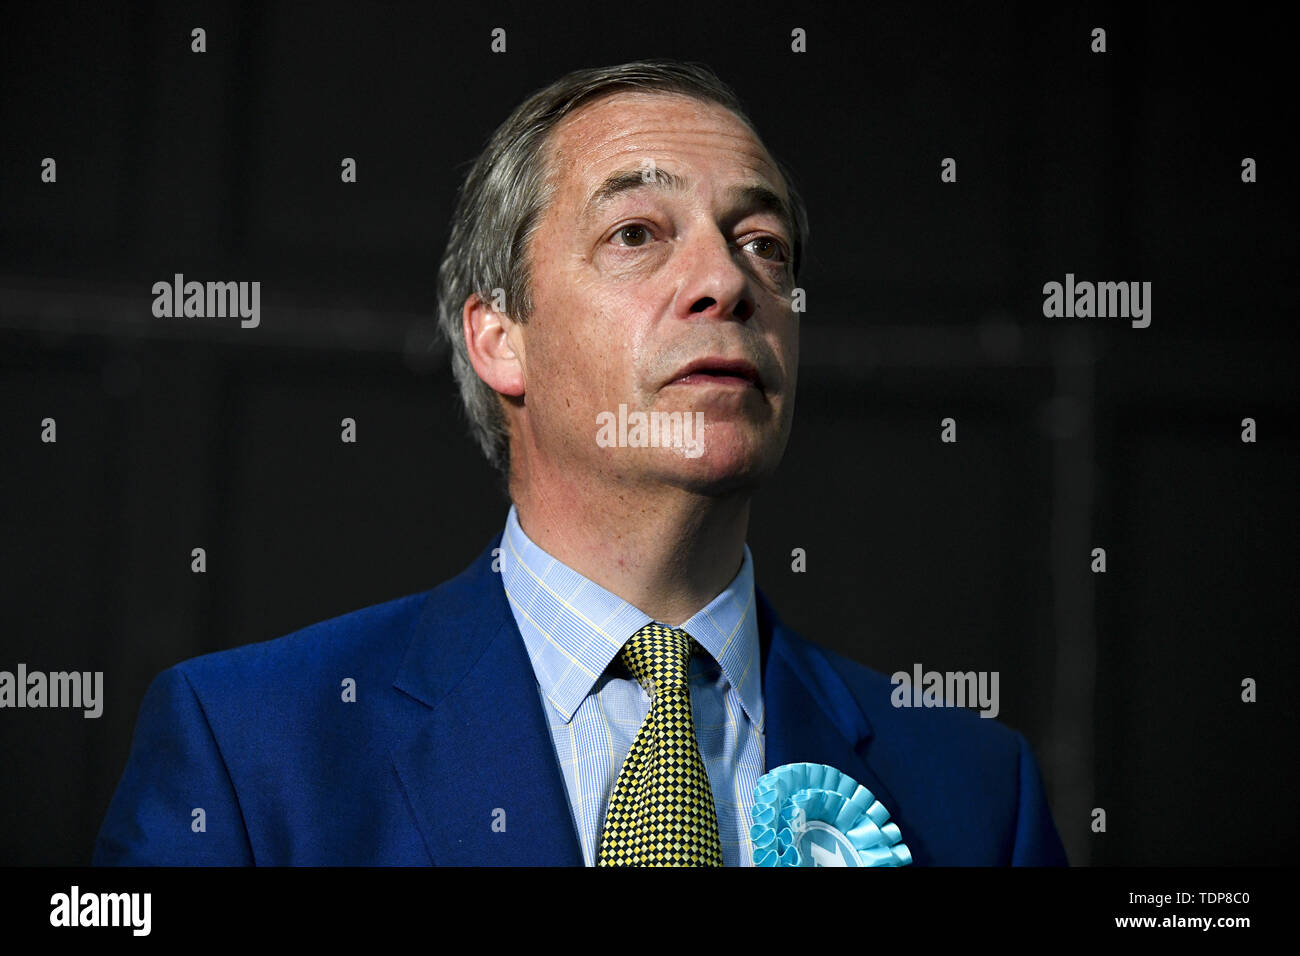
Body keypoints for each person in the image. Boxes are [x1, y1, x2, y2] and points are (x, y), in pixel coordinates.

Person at [94, 60, 1068, 867]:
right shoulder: (249, 748)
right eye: (636, 233)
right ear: (498, 335)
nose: (726, 282)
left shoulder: (979, 794)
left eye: (763, 245)